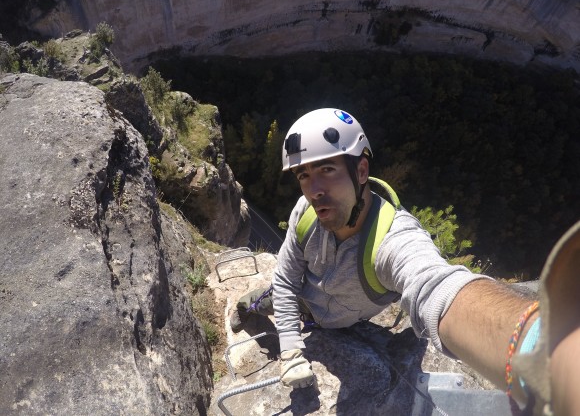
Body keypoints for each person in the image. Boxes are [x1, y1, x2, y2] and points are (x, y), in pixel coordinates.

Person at [230, 108, 578, 413]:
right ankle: (244, 309)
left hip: (342, 320)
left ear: (361, 170)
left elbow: (437, 288)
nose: (314, 188)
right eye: (304, 175)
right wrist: (290, 350)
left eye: (327, 170)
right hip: (304, 299)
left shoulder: (392, 240)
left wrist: (548, 356)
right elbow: (288, 281)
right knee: (263, 299)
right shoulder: (304, 214)